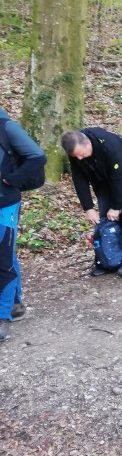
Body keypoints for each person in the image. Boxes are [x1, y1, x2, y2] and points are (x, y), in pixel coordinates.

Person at [61, 128, 122, 277]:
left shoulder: (109, 145)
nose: (79, 158)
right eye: (75, 156)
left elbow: (118, 178)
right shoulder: (75, 150)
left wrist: (116, 207)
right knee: (104, 215)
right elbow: (79, 179)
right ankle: (109, 258)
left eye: (81, 154)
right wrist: (88, 208)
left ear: (87, 143)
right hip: (103, 178)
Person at [0, 108, 46, 342]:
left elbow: (37, 156)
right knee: (6, 253)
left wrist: (11, 180)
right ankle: (15, 303)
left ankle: (3, 315)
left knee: (3, 258)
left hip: (5, 203)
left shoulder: (6, 127)